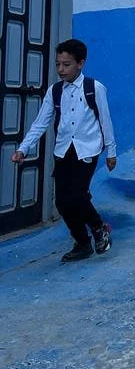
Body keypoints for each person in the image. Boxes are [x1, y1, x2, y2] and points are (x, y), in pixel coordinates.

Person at [12, 38, 117, 263]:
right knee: (62, 202)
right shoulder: (55, 91)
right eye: (58, 64)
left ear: (80, 63)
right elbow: (40, 123)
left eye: (66, 64)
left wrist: (111, 152)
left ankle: (99, 227)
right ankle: (82, 242)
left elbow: (105, 121)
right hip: (63, 151)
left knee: (77, 195)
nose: (61, 69)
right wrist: (23, 148)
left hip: (87, 150)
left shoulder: (94, 88)